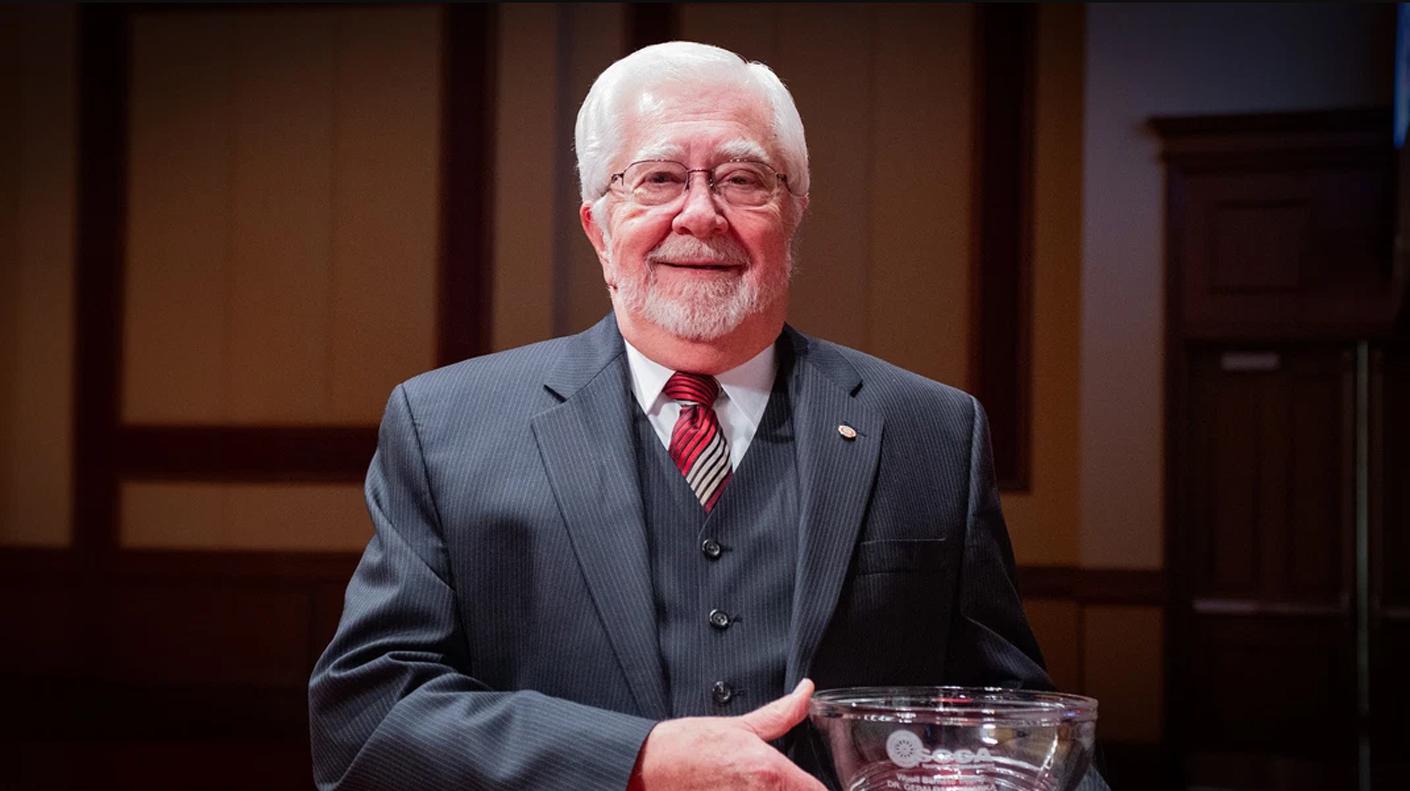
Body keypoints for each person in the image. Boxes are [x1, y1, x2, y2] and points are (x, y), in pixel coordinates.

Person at [309, 41, 1106, 791]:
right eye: (657, 178)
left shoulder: (934, 431)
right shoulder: (445, 427)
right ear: (597, 226)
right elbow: (369, 714)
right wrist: (639, 758)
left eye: (741, 179)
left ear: (792, 213)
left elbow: (1015, 730)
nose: (700, 214)